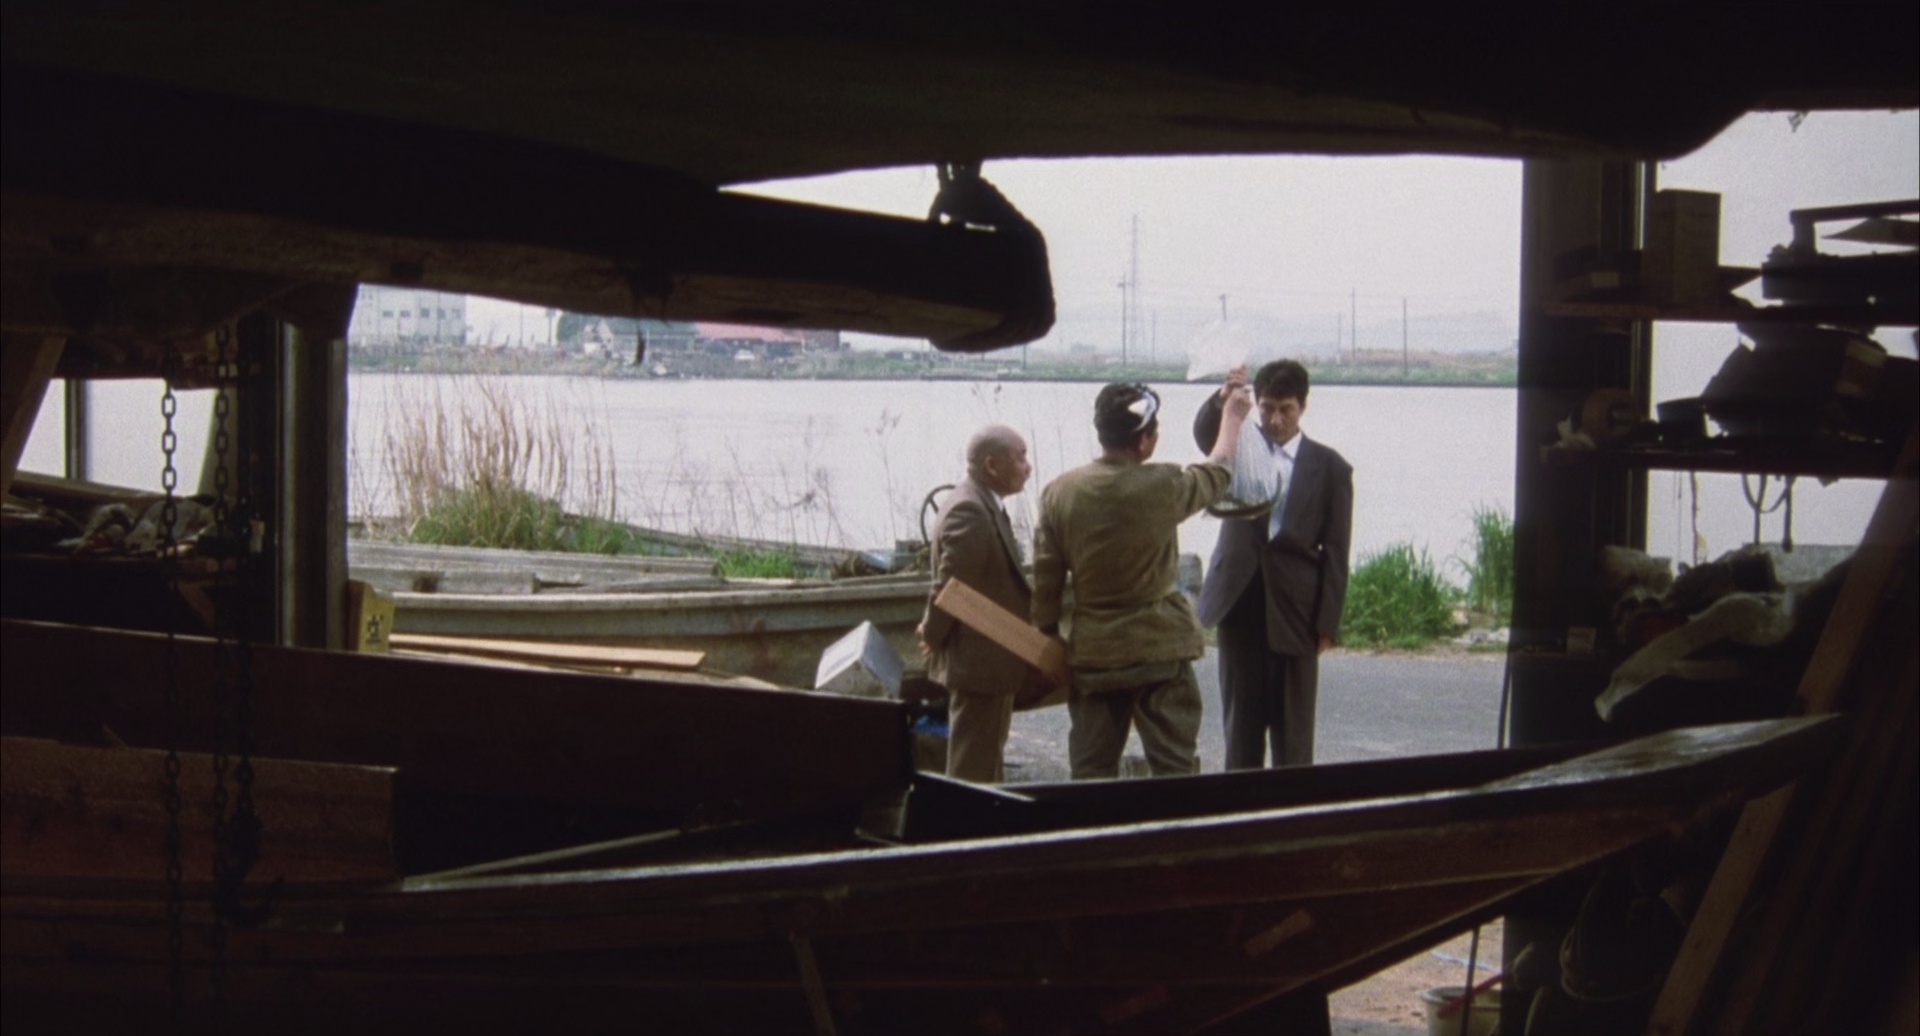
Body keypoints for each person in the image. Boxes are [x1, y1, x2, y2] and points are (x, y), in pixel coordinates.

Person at [1033, 382, 1252, 780]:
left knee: (1091, 770)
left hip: (1095, 654)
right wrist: (1233, 416)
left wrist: (1048, 634)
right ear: (1143, 441)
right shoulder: (1162, 484)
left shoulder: (1058, 492)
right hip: (1160, 651)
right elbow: (1218, 470)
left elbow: (1046, 580)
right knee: (1174, 769)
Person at [1192, 360, 1353, 768]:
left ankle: (1292, 806)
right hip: (1239, 603)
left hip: (1297, 613)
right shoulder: (1239, 445)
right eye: (1266, 409)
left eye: (1286, 409)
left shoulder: (1331, 468)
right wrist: (1224, 400)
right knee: (1240, 739)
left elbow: (1337, 551)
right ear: (1256, 405)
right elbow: (1205, 433)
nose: (1276, 420)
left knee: (1293, 743)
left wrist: (1327, 622)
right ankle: (1241, 808)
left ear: (1303, 407)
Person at [917, 425, 1035, 783]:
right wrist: (933, 634)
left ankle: (980, 816)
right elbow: (950, 587)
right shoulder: (970, 509)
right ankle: (964, 819)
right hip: (979, 663)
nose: (1028, 466)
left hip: (988, 661)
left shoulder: (981, 503)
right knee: (972, 769)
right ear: (992, 466)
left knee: (984, 763)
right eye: (1020, 457)